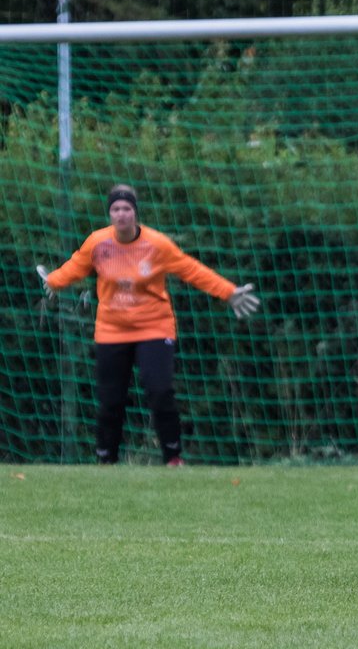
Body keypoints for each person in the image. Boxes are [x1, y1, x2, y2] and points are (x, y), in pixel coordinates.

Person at [37, 183, 260, 466]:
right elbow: (76, 266)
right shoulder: (98, 242)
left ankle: (172, 457)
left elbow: (191, 269)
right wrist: (54, 281)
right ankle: (106, 460)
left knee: (160, 391)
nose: (121, 214)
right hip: (111, 329)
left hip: (154, 326)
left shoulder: (156, 244)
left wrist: (228, 292)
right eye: (116, 209)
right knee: (110, 400)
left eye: (126, 208)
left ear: (135, 213)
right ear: (110, 214)